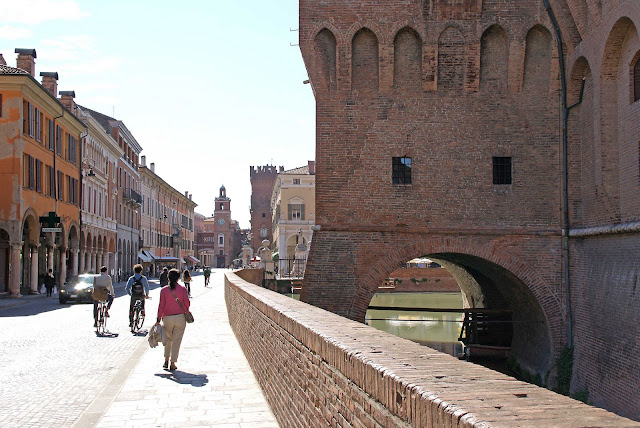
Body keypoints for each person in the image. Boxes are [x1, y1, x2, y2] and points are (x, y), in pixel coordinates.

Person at [155, 269, 190, 371]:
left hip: (167, 318)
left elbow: (161, 306)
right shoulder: (183, 289)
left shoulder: (164, 291)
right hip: (180, 318)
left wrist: (158, 318)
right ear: (178, 278)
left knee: (168, 339)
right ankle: (173, 363)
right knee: (176, 341)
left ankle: (166, 359)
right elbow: (187, 304)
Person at [125, 264, 150, 330]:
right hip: (141, 295)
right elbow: (147, 287)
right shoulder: (144, 278)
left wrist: (130, 294)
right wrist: (147, 295)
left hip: (134, 295)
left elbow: (127, 288)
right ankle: (142, 311)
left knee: (131, 308)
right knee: (142, 303)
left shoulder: (131, 278)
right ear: (141, 270)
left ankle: (131, 321)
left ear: (134, 270)